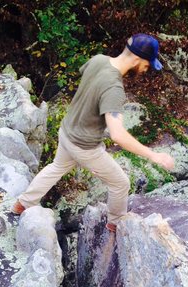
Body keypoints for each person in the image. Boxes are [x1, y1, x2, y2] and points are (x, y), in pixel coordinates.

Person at [12, 34, 175, 231]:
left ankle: (23, 203)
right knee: (120, 184)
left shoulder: (98, 60)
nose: (146, 69)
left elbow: (87, 83)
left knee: (57, 167)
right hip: (84, 145)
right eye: (147, 65)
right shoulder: (114, 88)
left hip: (67, 131)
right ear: (137, 59)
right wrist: (153, 155)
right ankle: (116, 225)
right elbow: (117, 135)